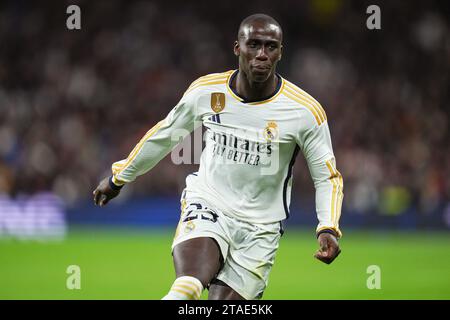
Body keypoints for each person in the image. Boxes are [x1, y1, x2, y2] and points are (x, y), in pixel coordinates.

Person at [93, 13, 343, 300]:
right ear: (237, 47)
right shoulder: (206, 91)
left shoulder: (304, 111)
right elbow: (164, 135)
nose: (262, 54)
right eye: (254, 44)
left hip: (261, 228)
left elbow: (327, 176)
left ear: (280, 52)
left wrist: (328, 226)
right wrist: (119, 177)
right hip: (209, 204)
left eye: (270, 47)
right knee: (188, 286)